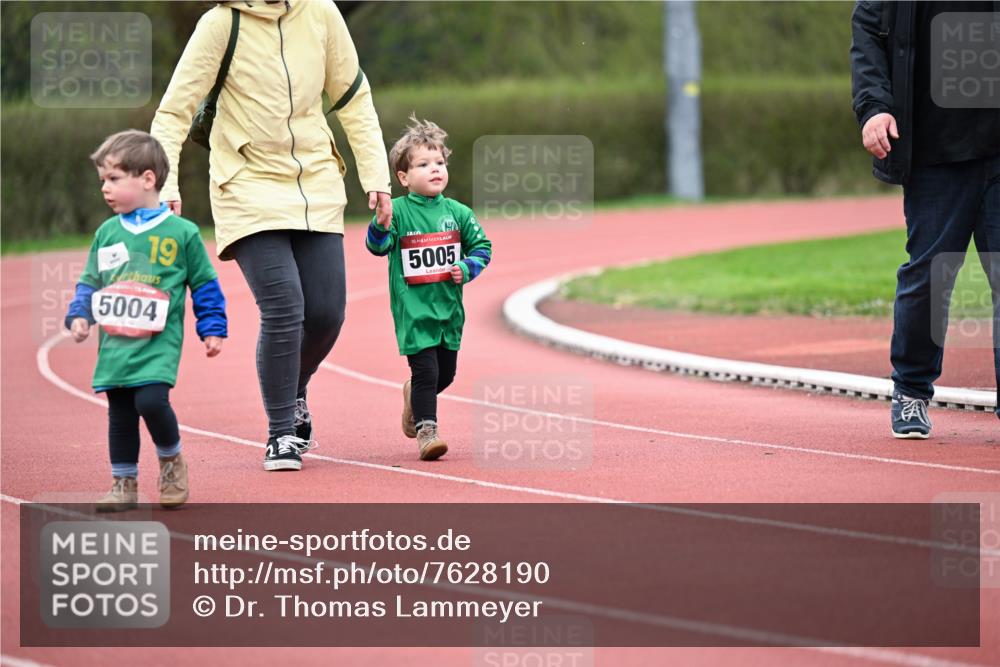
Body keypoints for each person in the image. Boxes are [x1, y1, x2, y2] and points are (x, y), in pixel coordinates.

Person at [150, 0, 392, 471]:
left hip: (316, 180)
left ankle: (292, 386)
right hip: (246, 183)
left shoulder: (320, 13)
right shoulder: (220, 24)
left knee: (326, 312)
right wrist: (166, 185)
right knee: (285, 306)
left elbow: (353, 99)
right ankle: (281, 432)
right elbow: (173, 114)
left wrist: (376, 176)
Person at [851, 1, 1000, 438]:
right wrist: (873, 107)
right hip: (934, 155)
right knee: (930, 279)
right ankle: (911, 391)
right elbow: (869, 34)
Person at [65, 130, 228, 511]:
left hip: (158, 342)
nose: (105, 188)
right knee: (120, 410)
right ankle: (124, 483)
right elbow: (90, 280)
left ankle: (171, 460)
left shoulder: (181, 232)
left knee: (152, 401)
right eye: (102, 180)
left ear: (148, 179)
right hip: (116, 343)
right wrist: (79, 314)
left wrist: (213, 327)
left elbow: (204, 283)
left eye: (113, 179)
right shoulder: (107, 233)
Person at [366, 117, 493, 460]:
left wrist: (467, 267)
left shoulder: (458, 213)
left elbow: (483, 248)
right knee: (426, 371)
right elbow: (377, 247)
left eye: (439, 162)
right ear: (404, 177)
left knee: (446, 374)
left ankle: (414, 397)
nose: (435, 169)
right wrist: (380, 224)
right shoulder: (399, 211)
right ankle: (427, 431)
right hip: (414, 309)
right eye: (424, 164)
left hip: (448, 309)